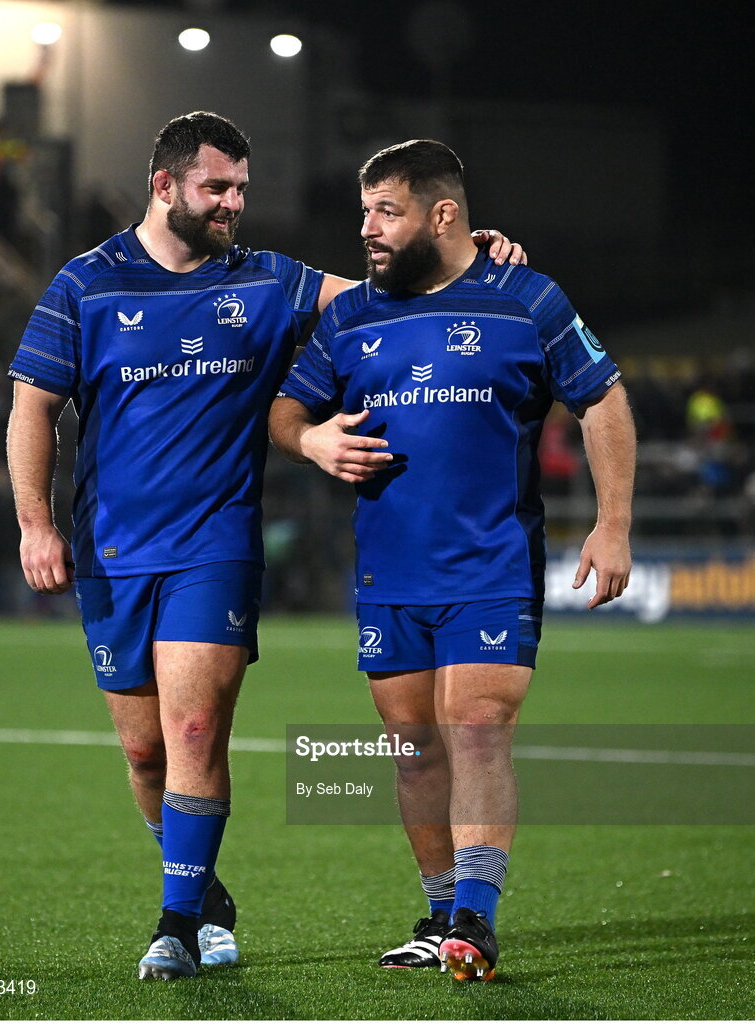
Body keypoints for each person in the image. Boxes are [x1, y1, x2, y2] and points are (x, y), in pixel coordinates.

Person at [5, 112, 523, 981]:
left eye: (240, 188)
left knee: (197, 726)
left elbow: (380, 292)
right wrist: (34, 521)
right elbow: (33, 407)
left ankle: (173, 923)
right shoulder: (83, 284)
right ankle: (203, 893)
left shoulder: (266, 281)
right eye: (216, 188)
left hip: (215, 545)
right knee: (144, 753)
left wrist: (467, 252)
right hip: (111, 550)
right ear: (164, 186)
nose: (232, 204)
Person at [269, 139, 635, 983]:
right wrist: (311, 438)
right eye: (363, 210)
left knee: (475, 731)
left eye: (385, 211)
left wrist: (612, 524)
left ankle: (475, 920)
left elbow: (603, 399)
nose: (366, 228)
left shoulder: (526, 299)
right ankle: (439, 915)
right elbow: (287, 409)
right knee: (411, 747)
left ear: (442, 215)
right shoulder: (352, 314)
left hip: (489, 564)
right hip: (388, 572)